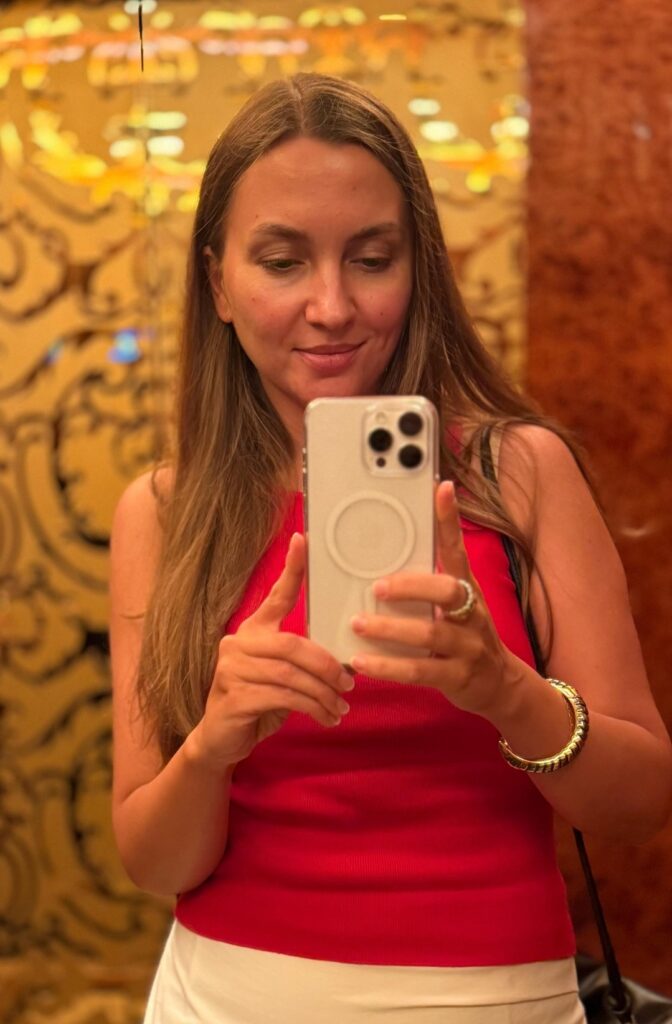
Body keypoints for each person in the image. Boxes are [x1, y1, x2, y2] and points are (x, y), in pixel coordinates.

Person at [109, 73, 672, 1024]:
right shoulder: (165, 511)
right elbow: (155, 861)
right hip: (224, 999)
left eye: (371, 259)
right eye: (282, 262)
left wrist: (504, 690)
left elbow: (639, 803)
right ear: (218, 283)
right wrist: (211, 747)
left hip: (499, 1001)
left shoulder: (517, 473)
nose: (332, 306)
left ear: (419, 270)